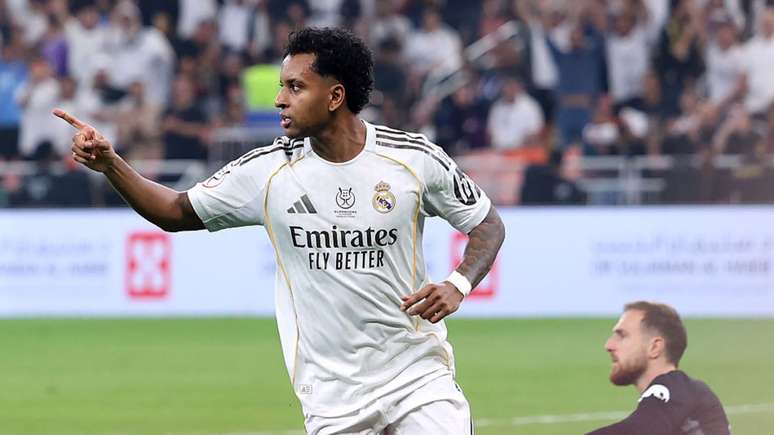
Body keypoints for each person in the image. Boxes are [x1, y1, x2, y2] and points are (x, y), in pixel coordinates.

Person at [54, 27, 505, 435]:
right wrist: (111, 165)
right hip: (333, 400)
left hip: (418, 379)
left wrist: (458, 283)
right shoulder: (268, 172)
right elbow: (175, 211)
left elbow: (487, 223)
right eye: (281, 86)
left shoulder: (412, 159)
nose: (279, 100)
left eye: (295, 87)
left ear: (335, 96)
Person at [587, 301, 730, 435]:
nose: (609, 345)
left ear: (654, 347)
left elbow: (637, 431)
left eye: (622, 335)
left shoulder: (676, 387)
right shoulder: (681, 393)